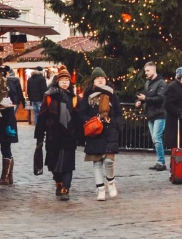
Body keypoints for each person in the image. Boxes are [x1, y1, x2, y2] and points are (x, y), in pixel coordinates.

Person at [78, 68, 123, 200]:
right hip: (95, 132)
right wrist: (89, 121)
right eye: (98, 78)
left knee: (109, 161)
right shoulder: (88, 95)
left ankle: (111, 183)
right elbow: (82, 113)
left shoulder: (111, 94)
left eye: (102, 77)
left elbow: (118, 112)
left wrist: (116, 123)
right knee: (97, 162)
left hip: (110, 131)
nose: (100, 79)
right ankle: (101, 190)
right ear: (93, 81)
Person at [34, 65, 77, 200]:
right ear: (57, 81)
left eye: (67, 80)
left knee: (68, 165)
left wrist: (80, 135)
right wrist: (39, 136)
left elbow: (78, 117)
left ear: (70, 82)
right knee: (53, 164)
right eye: (62, 80)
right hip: (53, 135)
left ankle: (66, 188)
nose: (65, 82)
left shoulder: (74, 98)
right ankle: (58, 182)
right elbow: (41, 117)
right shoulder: (49, 96)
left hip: (69, 136)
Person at [138, 61, 167, 171]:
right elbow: (148, 97)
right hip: (151, 114)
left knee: (156, 138)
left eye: (147, 70)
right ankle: (160, 161)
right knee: (155, 138)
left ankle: (161, 162)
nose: (146, 73)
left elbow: (160, 99)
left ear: (154, 69)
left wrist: (145, 99)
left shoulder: (161, 83)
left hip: (159, 114)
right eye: (145, 71)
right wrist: (140, 102)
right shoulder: (147, 83)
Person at [0, 73, 19, 186]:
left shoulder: (4, 93)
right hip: (7, 123)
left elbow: (4, 108)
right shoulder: (8, 90)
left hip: (5, 124)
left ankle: (5, 177)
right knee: (6, 148)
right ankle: (8, 176)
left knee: (5, 148)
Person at [163, 66, 182, 154]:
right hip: (176, 123)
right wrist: (180, 113)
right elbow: (168, 104)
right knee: (177, 145)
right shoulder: (173, 87)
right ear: (180, 77)